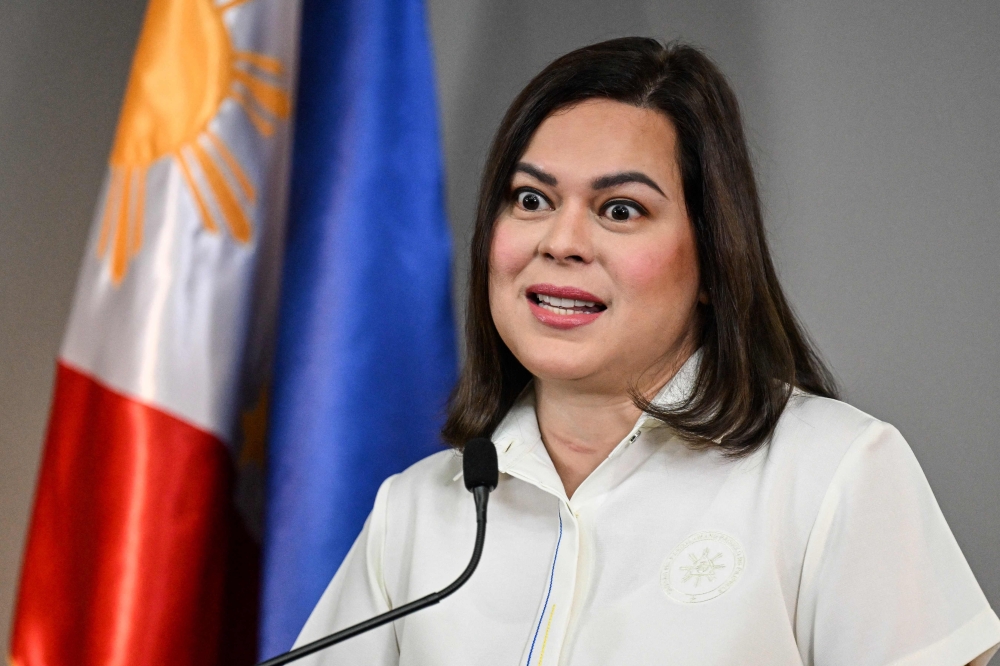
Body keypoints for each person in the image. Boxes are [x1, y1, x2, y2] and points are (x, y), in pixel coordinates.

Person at [293, 37, 1000, 665]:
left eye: (619, 210)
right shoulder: (418, 509)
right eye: (531, 199)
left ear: (712, 258)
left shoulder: (832, 471)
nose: (560, 241)